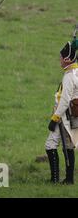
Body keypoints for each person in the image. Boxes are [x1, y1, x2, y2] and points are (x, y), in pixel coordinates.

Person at [45, 39, 78, 184]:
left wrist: (54, 118)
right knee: (69, 146)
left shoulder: (70, 76)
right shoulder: (74, 71)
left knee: (51, 144)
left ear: (66, 59)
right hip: (69, 116)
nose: (59, 60)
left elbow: (65, 100)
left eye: (61, 58)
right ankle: (67, 179)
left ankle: (57, 179)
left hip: (65, 116)